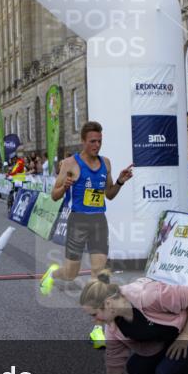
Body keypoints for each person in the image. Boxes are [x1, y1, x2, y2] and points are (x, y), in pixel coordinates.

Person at [50, 121, 133, 283]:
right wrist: (65, 187)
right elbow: (54, 195)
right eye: (92, 141)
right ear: (83, 141)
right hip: (78, 220)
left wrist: (120, 182)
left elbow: (109, 194)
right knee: (70, 274)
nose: (97, 145)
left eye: (99, 141)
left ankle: (96, 299)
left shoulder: (105, 163)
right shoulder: (70, 163)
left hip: (99, 220)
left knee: (99, 272)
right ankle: (52, 274)